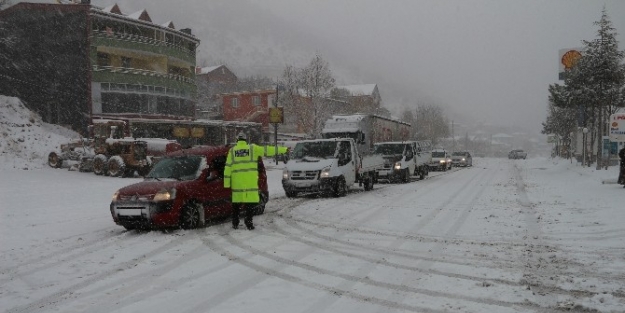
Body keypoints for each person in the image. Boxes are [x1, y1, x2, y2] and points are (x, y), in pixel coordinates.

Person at [224, 131, 288, 230]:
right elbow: (267, 150)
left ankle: (235, 222)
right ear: (246, 140)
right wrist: (283, 149)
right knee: (249, 204)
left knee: (236, 204)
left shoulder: (232, 151)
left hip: (237, 184)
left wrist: (227, 184)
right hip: (250, 183)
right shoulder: (252, 148)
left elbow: (227, 168)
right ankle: (248, 222)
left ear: (237, 140)